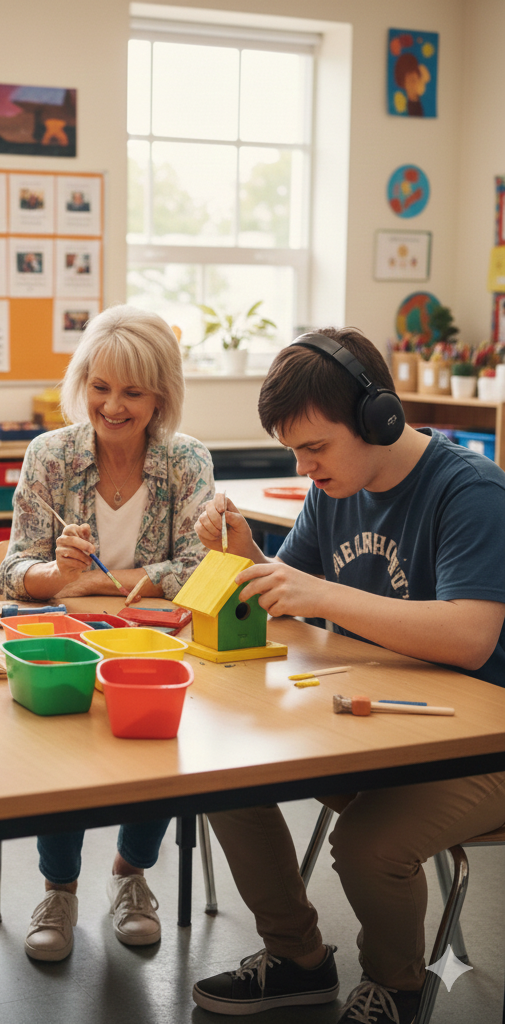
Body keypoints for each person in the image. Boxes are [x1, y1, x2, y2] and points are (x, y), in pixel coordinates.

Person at [190, 327, 505, 1024]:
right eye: (293, 450)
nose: (304, 467)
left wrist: (319, 594)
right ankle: (298, 961)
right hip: (377, 716)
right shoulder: (336, 485)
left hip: (480, 741)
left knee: (368, 846)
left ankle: (397, 988)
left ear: (378, 419)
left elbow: (471, 636)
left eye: (315, 447)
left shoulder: (472, 491)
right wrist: (246, 556)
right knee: (223, 779)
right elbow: (290, 594)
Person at [0, 304, 215, 962]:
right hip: (62, 638)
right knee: (59, 749)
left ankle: (130, 875)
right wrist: (51, 573)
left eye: (132, 391)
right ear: (82, 383)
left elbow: (200, 570)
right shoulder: (51, 455)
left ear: (161, 398)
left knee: (155, 745)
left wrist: (99, 581)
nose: (112, 405)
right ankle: (58, 889)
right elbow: (12, 573)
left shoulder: (186, 462)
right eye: (99, 386)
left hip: (149, 643)